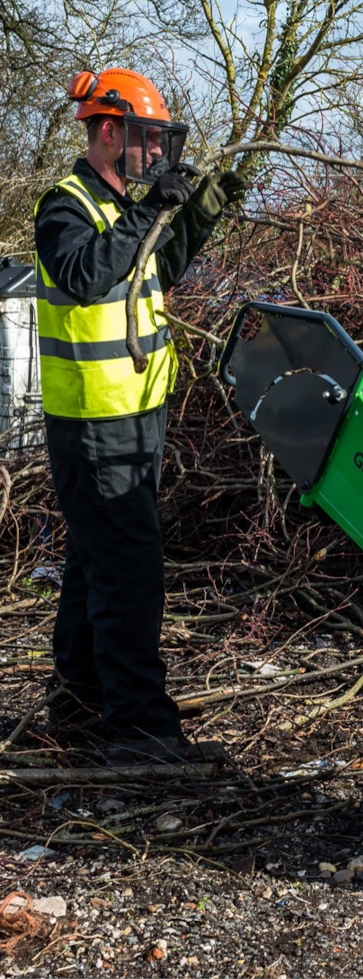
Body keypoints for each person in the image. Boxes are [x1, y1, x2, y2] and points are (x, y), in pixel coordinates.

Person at [32, 67, 246, 763]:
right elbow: (89, 275)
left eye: (161, 143)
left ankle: (78, 703)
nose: (156, 155)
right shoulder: (65, 207)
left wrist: (200, 209)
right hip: (95, 423)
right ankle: (140, 729)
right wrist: (146, 209)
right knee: (130, 573)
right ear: (106, 131)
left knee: (96, 563)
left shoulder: (131, 208)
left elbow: (160, 268)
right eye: (145, 141)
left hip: (136, 413)